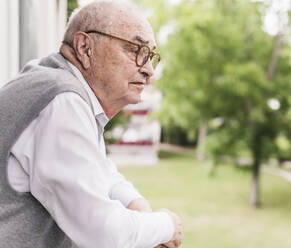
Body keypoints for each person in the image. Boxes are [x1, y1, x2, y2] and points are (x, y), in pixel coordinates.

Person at [0, 1, 182, 247]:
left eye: (150, 56)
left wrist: (134, 203)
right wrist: (166, 225)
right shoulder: (62, 102)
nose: (149, 70)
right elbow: (104, 234)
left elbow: (96, 167)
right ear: (85, 47)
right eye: (136, 50)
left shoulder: (58, 87)